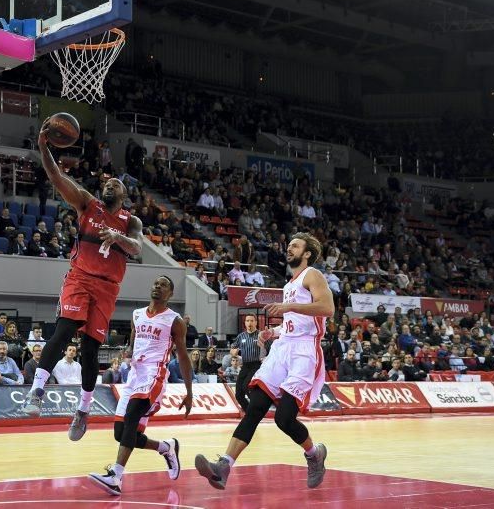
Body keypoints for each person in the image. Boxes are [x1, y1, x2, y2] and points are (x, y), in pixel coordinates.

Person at [23, 120, 143, 445]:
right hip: (80, 277)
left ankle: (84, 408)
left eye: (115, 183)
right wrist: (43, 146)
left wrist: (118, 237)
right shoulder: (87, 203)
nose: (109, 185)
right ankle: (37, 390)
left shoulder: (130, 221)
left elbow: (138, 248)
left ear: (124, 194)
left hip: (107, 288)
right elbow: (56, 177)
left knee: (91, 350)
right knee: (62, 331)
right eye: (106, 181)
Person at [196, 232, 333, 490]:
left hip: (305, 351)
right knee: (256, 406)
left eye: (295, 245)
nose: (289, 248)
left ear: (307, 254)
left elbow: (327, 309)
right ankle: (224, 465)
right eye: (289, 244)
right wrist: (275, 331)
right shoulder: (289, 284)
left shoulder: (312, 275)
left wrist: (287, 309)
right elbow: (295, 322)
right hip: (283, 348)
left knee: (284, 419)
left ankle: (314, 454)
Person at [88, 275, 192, 496]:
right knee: (120, 432)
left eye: (164, 285)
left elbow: (183, 357)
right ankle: (166, 447)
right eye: (155, 283)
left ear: (170, 294)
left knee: (133, 417)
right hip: (134, 374)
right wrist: (128, 353)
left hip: (154, 374)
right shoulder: (136, 315)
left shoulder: (175, 320)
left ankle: (116, 476)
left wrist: (189, 391)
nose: (157, 286)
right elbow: (133, 342)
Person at [233, 314, 265, 411]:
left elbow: (270, 349)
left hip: (257, 365)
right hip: (245, 365)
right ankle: (249, 412)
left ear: (256, 322)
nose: (249, 323)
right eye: (247, 321)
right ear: (245, 323)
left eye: (251, 320)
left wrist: (264, 351)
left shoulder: (261, 335)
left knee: (246, 386)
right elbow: (233, 348)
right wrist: (233, 352)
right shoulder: (241, 336)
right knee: (238, 394)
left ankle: (257, 407)